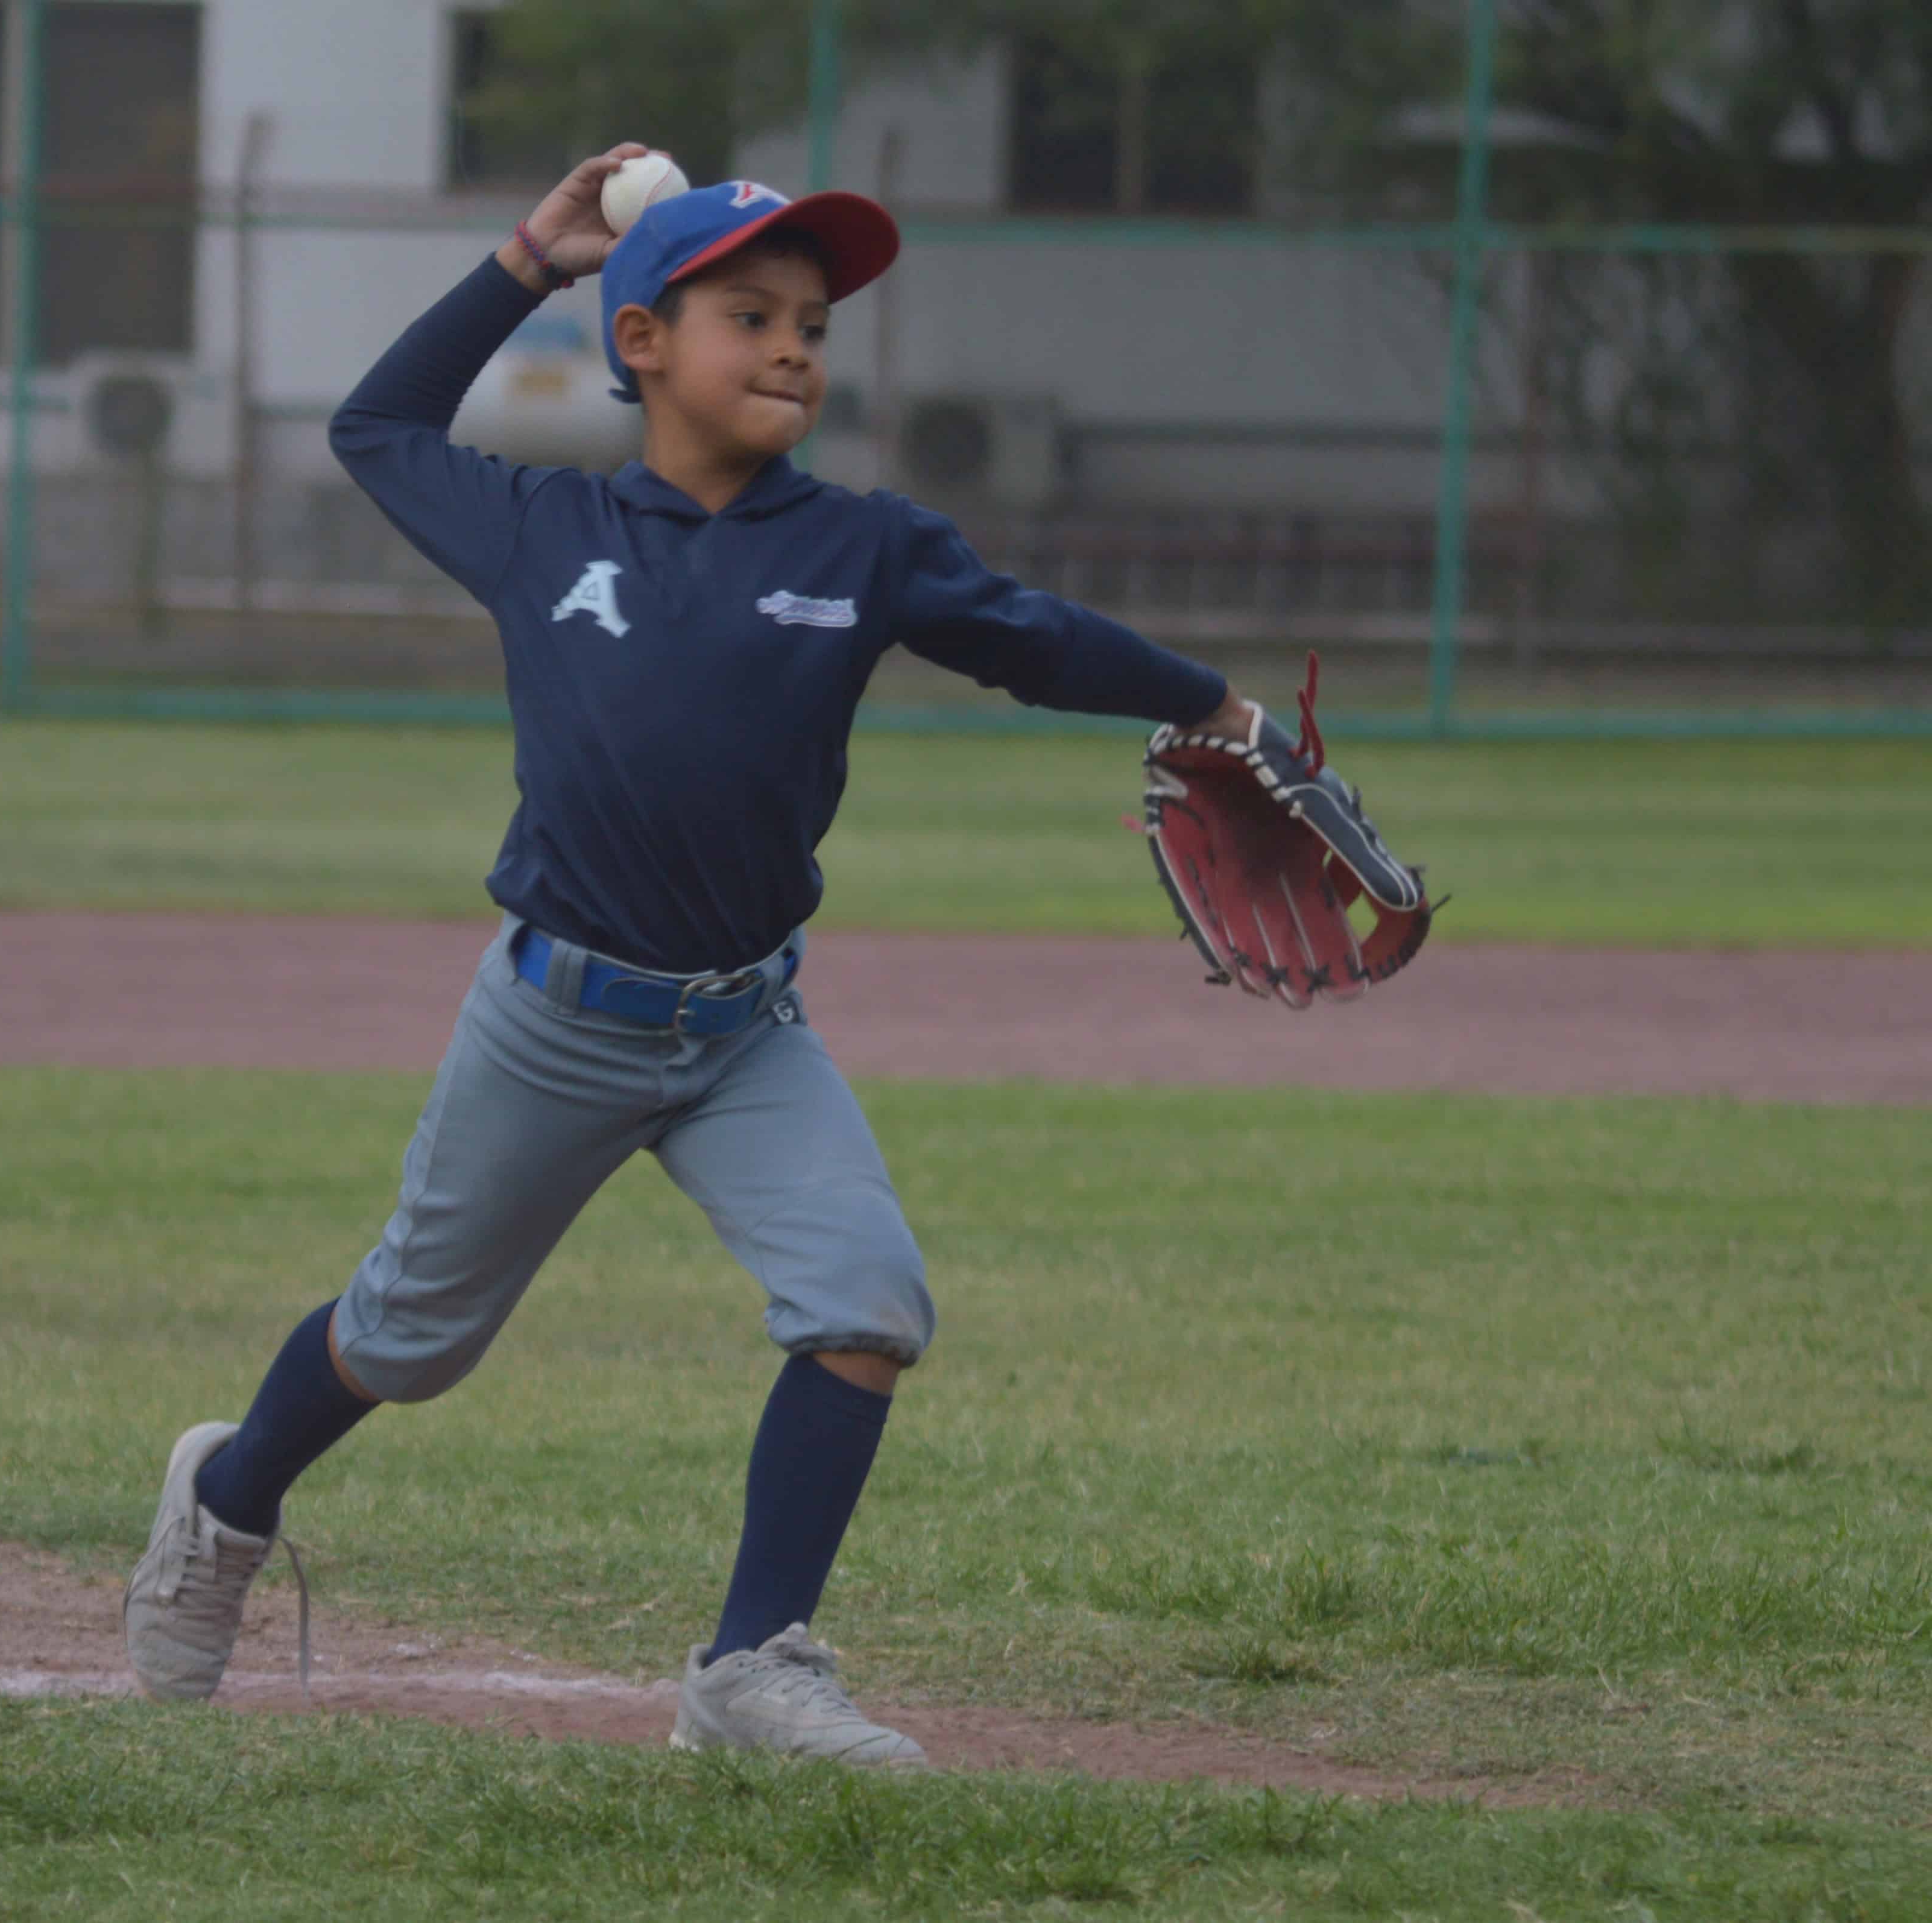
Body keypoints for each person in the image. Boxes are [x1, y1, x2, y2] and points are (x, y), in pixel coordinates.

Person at [125, 143, 1256, 1766]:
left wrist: (1209, 702)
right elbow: (374, 428)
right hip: (554, 1023)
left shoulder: (862, 548)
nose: (795, 345)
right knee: (404, 1340)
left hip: (744, 1034)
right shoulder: (544, 528)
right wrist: (531, 257)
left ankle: (749, 1671)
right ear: (642, 342)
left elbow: (1037, 638)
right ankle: (226, 1503)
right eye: (751, 314)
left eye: (812, 321)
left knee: (865, 1306)